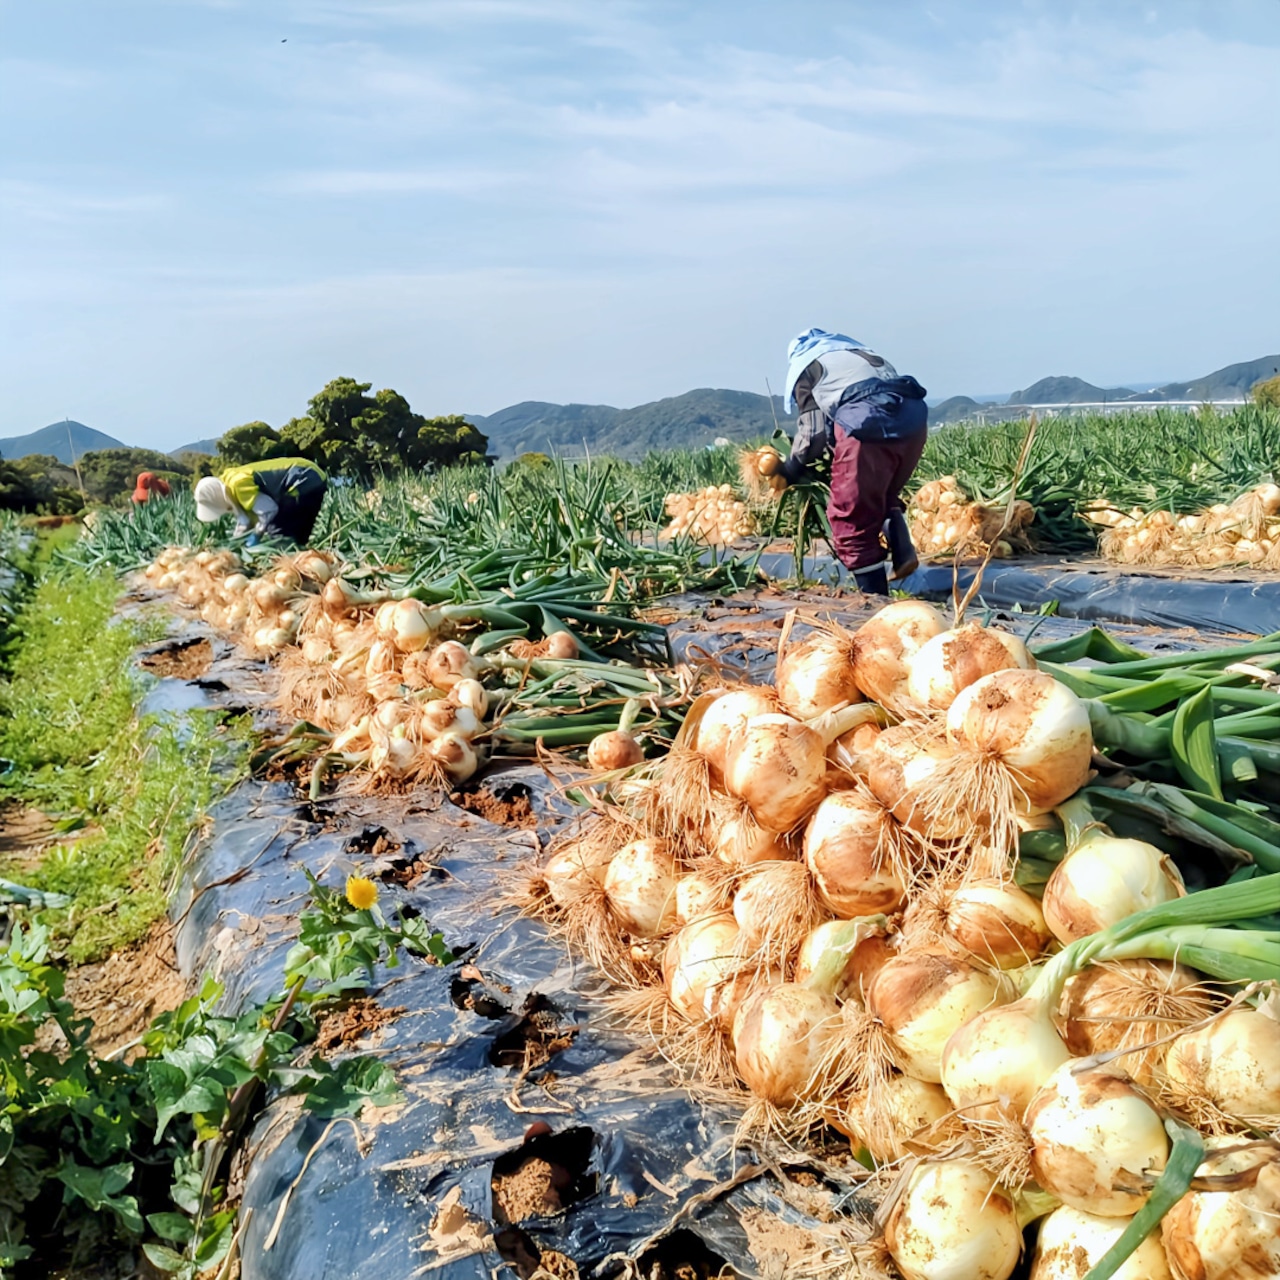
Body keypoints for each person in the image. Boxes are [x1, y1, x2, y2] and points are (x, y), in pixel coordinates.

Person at [780, 327, 928, 595]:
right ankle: (903, 552)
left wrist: (790, 471)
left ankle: (875, 607)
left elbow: (813, 434)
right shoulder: (856, 353)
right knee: (881, 494)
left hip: (869, 422)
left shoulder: (808, 366)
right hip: (913, 422)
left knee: (849, 519)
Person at [194, 456, 328, 546]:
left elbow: (269, 510)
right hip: (309, 477)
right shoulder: (231, 482)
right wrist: (235, 543)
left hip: (304, 478)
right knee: (294, 537)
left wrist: (256, 535)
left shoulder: (238, 484)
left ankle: (291, 572)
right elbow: (247, 521)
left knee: (279, 535)